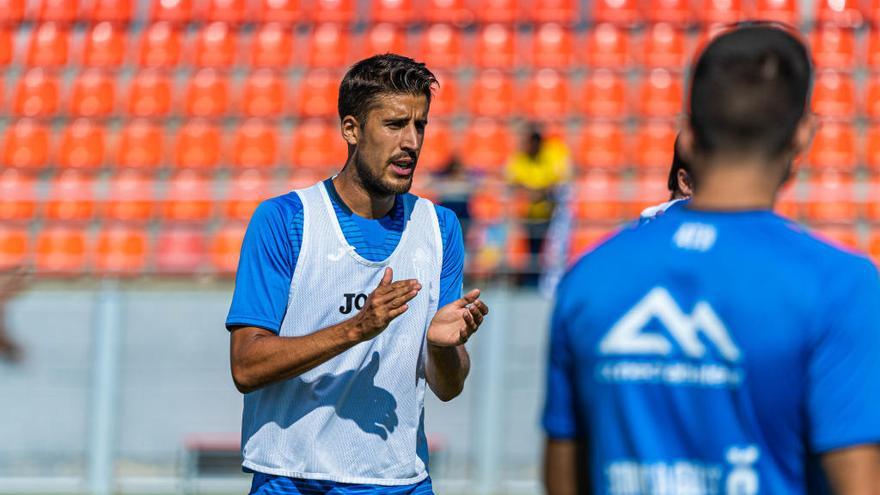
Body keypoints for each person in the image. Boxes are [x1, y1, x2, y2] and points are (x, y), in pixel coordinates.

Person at [543, 24, 880, 495]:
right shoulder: (841, 285)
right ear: (803, 136)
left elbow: (563, 477)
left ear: (691, 132)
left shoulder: (590, 277)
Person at [226, 54, 489, 495]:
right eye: (394, 124)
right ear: (351, 128)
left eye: (420, 125)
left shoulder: (440, 229)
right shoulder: (286, 220)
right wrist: (356, 329)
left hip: (400, 483)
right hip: (292, 480)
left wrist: (443, 349)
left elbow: (448, 387)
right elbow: (246, 366)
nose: (411, 142)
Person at [505, 124, 572, 286]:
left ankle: (547, 286)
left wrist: (537, 192)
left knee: (551, 251)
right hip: (529, 215)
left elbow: (560, 182)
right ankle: (532, 285)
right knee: (532, 251)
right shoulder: (520, 157)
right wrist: (535, 191)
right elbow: (512, 181)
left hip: (552, 214)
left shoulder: (553, 153)